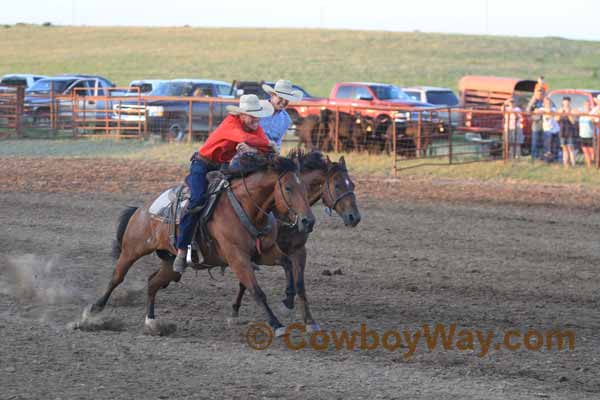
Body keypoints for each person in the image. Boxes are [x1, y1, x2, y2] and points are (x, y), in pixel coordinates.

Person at [173, 94, 275, 273]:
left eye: (257, 115)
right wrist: (267, 146)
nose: (256, 119)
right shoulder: (231, 124)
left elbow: (260, 142)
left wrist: (265, 148)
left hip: (223, 166)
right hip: (203, 164)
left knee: (245, 192)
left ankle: (244, 248)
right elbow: (253, 140)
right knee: (197, 199)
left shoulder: (253, 127)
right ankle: (182, 249)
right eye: (252, 115)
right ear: (241, 115)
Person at [259, 79, 303, 152]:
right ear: (272, 95)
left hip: (269, 154)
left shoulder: (286, 119)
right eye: (280, 98)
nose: (284, 102)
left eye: (287, 99)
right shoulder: (258, 108)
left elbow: (277, 143)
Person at [555, 96, 578, 168]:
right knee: (564, 148)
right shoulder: (559, 110)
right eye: (564, 102)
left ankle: (573, 164)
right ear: (562, 102)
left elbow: (573, 121)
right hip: (562, 131)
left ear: (570, 102)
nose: (566, 103)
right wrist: (560, 114)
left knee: (571, 147)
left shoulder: (573, 110)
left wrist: (568, 114)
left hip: (570, 131)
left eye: (567, 102)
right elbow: (556, 120)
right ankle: (565, 164)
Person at [527, 89, 545, 160]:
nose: (539, 96)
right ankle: (534, 157)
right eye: (538, 94)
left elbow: (552, 108)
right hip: (536, 122)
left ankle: (542, 157)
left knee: (543, 140)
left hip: (545, 123)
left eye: (541, 94)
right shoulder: (534, 102)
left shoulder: (545, 101)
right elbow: (528, 110)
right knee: (535, 140)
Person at [579, 100, 597, 168]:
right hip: (582, 135)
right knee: (585, 151)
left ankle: (595, 164)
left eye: (588, 105)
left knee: (592, 151)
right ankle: (589, 166)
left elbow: (594, 121)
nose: (586, 106)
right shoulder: (581, 114)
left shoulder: (591, 114)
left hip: (590, 135)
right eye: (585, 105)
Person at [541, 97, 560, 162]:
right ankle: (547, 160)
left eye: (549, 103)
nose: (548, 104)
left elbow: (557, 114)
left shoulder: (554, 109)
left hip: (555, 130)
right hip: (547, 130)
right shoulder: (542, 109)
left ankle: (555, 159)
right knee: (547, 146)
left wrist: (550, 112)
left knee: (554, 145)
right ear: (544, 104)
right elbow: (536, 111)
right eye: (546, 103)